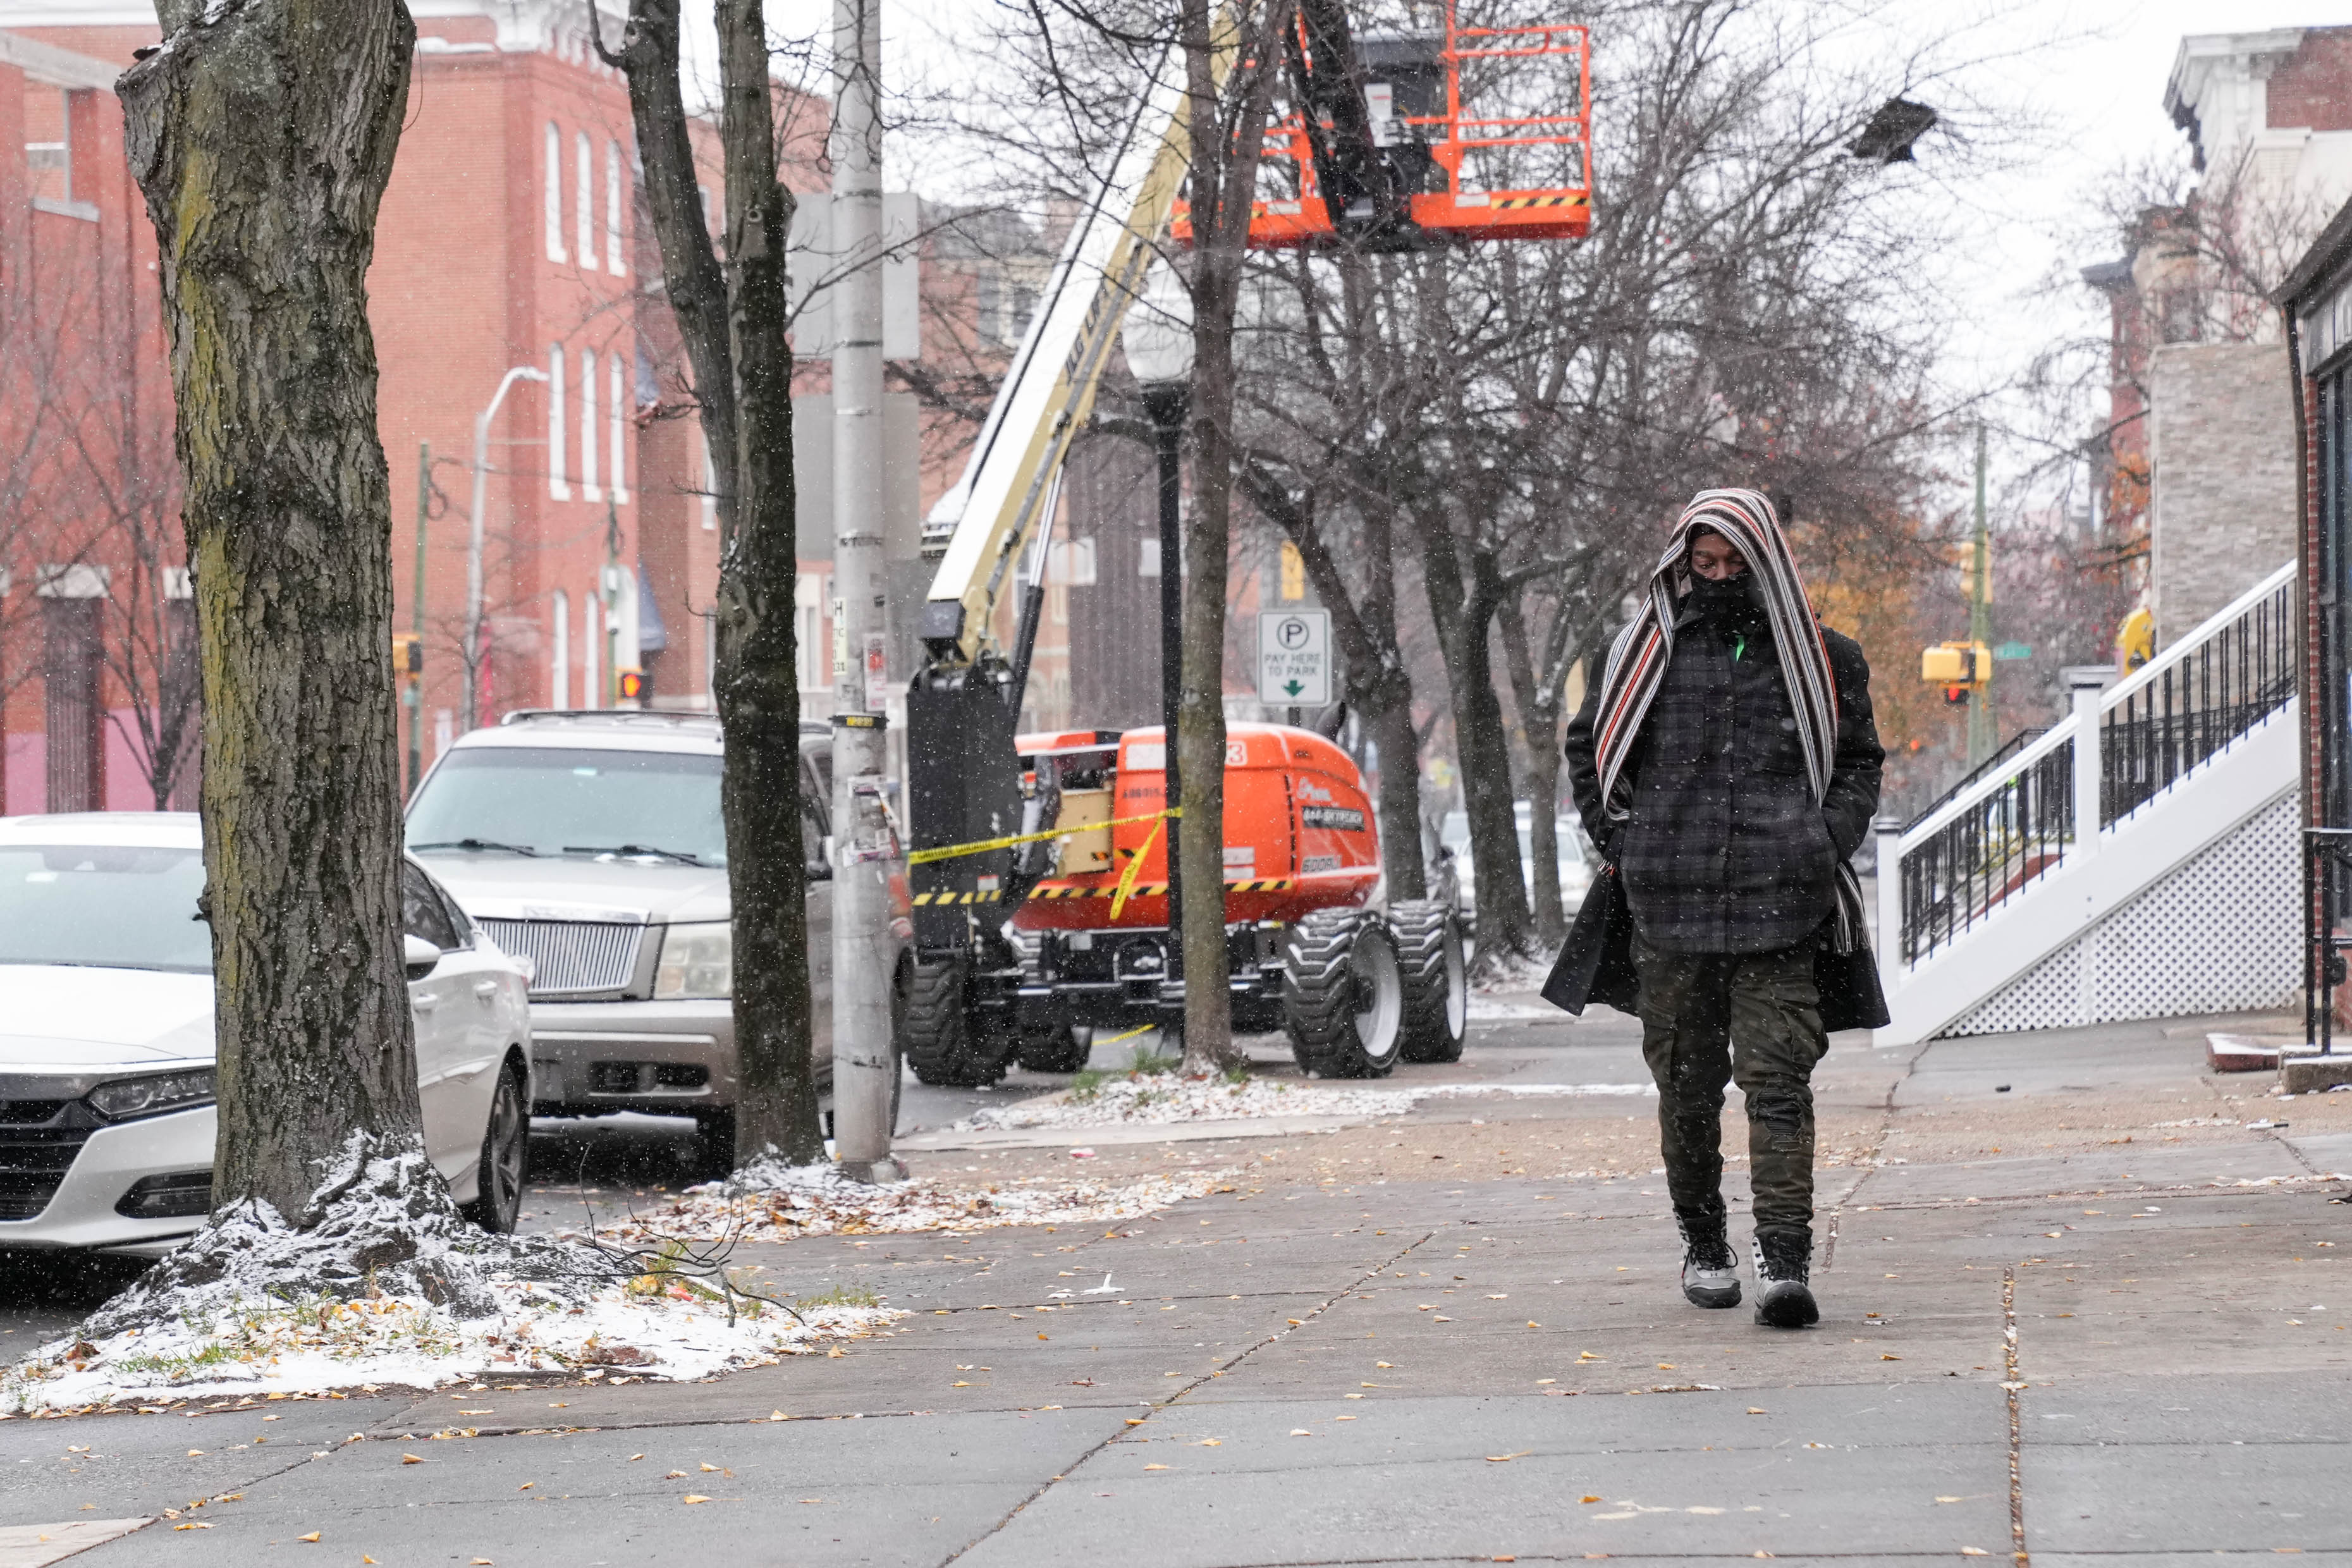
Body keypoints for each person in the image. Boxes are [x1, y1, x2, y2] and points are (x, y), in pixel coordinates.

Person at [1560, 489, 1882, 1328]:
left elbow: (1859, 764)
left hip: (1785, 907)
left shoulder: (1827, 659)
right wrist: (1624, 847)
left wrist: (1823, 841)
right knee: (1687, 1089)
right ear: (1681, 561)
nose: (1719, 577)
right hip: (1668, 908)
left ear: (1767, 561)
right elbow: (1588, 752)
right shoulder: (1639, 653)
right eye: (1704, 565)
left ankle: (1785, 1260)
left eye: (1735, 565)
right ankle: (1705, 1244)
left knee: (1779, 1082)